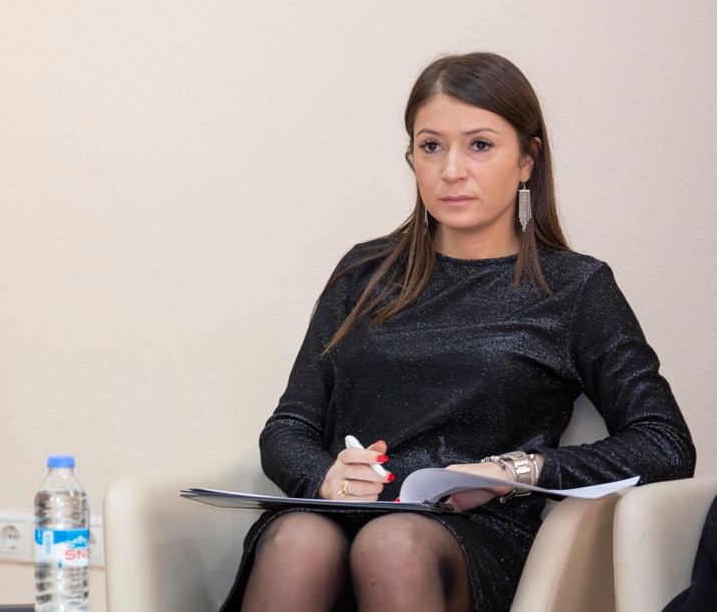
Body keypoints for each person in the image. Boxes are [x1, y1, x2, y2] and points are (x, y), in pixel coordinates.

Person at [222, 53, 694, 612]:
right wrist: (326, 476)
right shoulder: (363, 273)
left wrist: (512, 470)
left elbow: (664, 444)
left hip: (474, 540)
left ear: (527, 160)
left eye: (480, 145)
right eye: (431, 146)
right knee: (299, 537)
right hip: (341, 519)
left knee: (392, 543)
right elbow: (288, 427)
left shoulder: (575, 288)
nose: (451, 171)